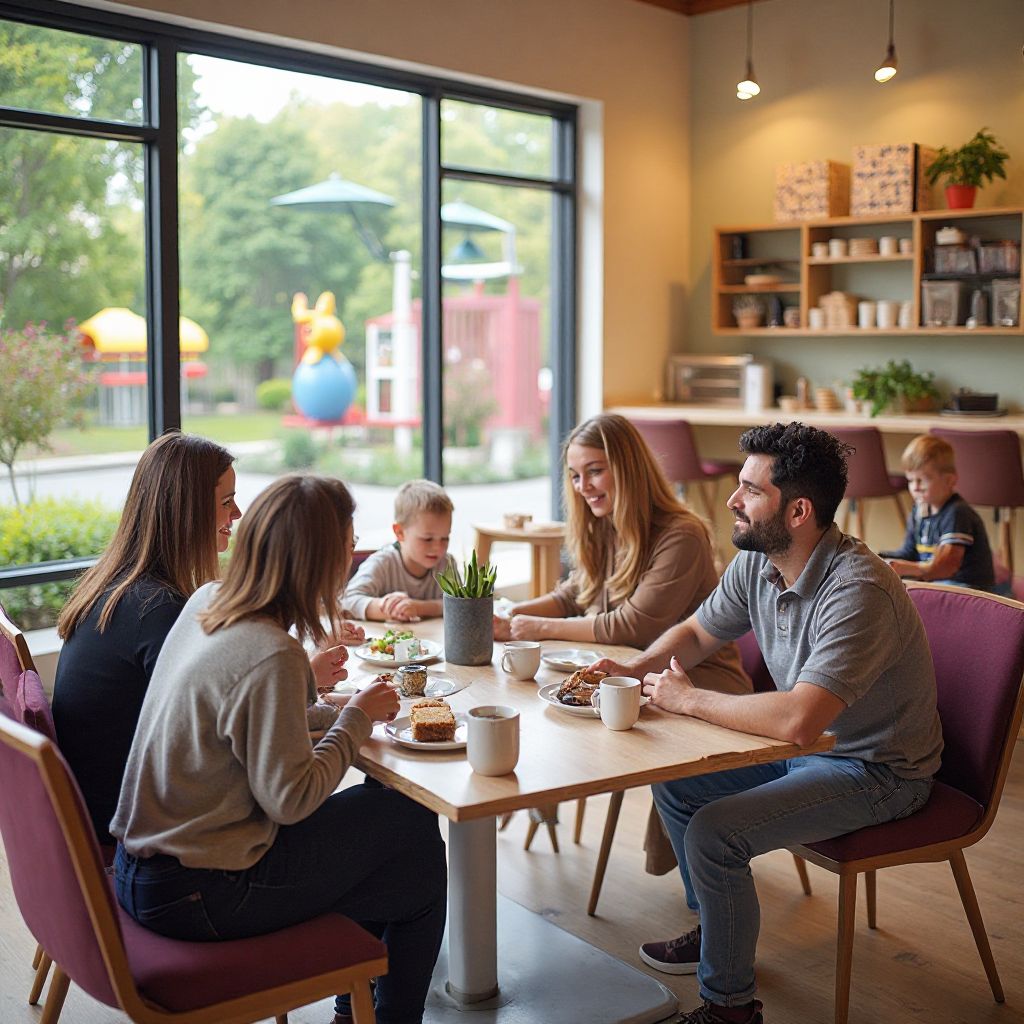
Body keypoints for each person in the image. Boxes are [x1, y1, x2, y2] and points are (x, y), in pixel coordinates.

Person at [593, 422, 941, 1024]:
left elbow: (801, 718)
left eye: (750, 490)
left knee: (713, 832)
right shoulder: (762, 560)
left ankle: (730, 1009)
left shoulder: (857, 589)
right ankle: (716, 932)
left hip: (878, 769)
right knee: (676, 781)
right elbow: (700, 632)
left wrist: (689, 700)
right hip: (815, 752)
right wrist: (633, 667)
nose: (733, 500)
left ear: (799, 510)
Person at [111, 474, 446, 1024]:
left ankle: (354, 1009)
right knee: (415, 853)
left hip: (143, 869)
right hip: (201, 890)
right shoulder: (272, 651)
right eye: (345, 545)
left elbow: (242, 725)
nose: (350, 558)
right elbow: (292, 801)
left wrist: (337, 714)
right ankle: (374, 1014)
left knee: (397, 827)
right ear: (317, 560)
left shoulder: (208, 601)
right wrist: (355, 720)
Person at [53, 431, 241, 840]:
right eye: (226, 502)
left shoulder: (118, 590)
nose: (238, 513)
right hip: (143, 831)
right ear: (186, 512)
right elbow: (220, 737)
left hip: (109, 807)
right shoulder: (157, 611)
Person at [494, 413, 748, 694]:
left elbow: (633, 626)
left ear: (627, 468)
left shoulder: (682, 535)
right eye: (575, 476)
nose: (582, 487)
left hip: (699, 685)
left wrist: (538, 628)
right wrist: (510, 615)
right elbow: (573, 595)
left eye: (594, 471)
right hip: (631, 679)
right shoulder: (605, 525)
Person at [881, 434, 995, 591]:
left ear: (950, 481)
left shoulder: (957, 512)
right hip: (939, 583)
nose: (915, 487)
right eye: (911, 480)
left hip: (969, 588)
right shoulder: (918, 511)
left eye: (922, 480)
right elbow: (909, 553)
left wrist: (906, 569)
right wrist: (879, 558)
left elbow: (947, 566)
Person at [343, 478, 457, 622]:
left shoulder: (446, 564)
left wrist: (419, 607)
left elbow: (460, 604)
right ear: (400, 532)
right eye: (427, 539)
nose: (438, 547)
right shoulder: (383, 563)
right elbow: (348, 601)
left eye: (445, 538)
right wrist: (388, 608)